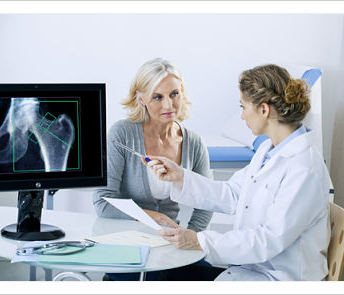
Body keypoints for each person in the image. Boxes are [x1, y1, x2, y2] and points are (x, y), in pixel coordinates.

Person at [144, 64, 331, 281]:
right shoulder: (267, 150)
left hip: (279, 279)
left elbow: (268, 240)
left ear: (263, 110)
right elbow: (233, 193)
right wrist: (180, 176)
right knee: (162, 273)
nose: (242, 116)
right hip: (250, 271)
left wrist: (199, 241)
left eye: (243, 107)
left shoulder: (304, 168)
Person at [93, 58, 213, 280]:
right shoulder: (123, 135)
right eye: (158, 97)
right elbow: (102, 201)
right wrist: (152, 217)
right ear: (141, 99)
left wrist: (190, 237)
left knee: (219, 277)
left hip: (171, 247)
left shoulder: (194, 142)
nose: (169, 105)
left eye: (174, 94)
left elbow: (207, 202)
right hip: (126, 245)